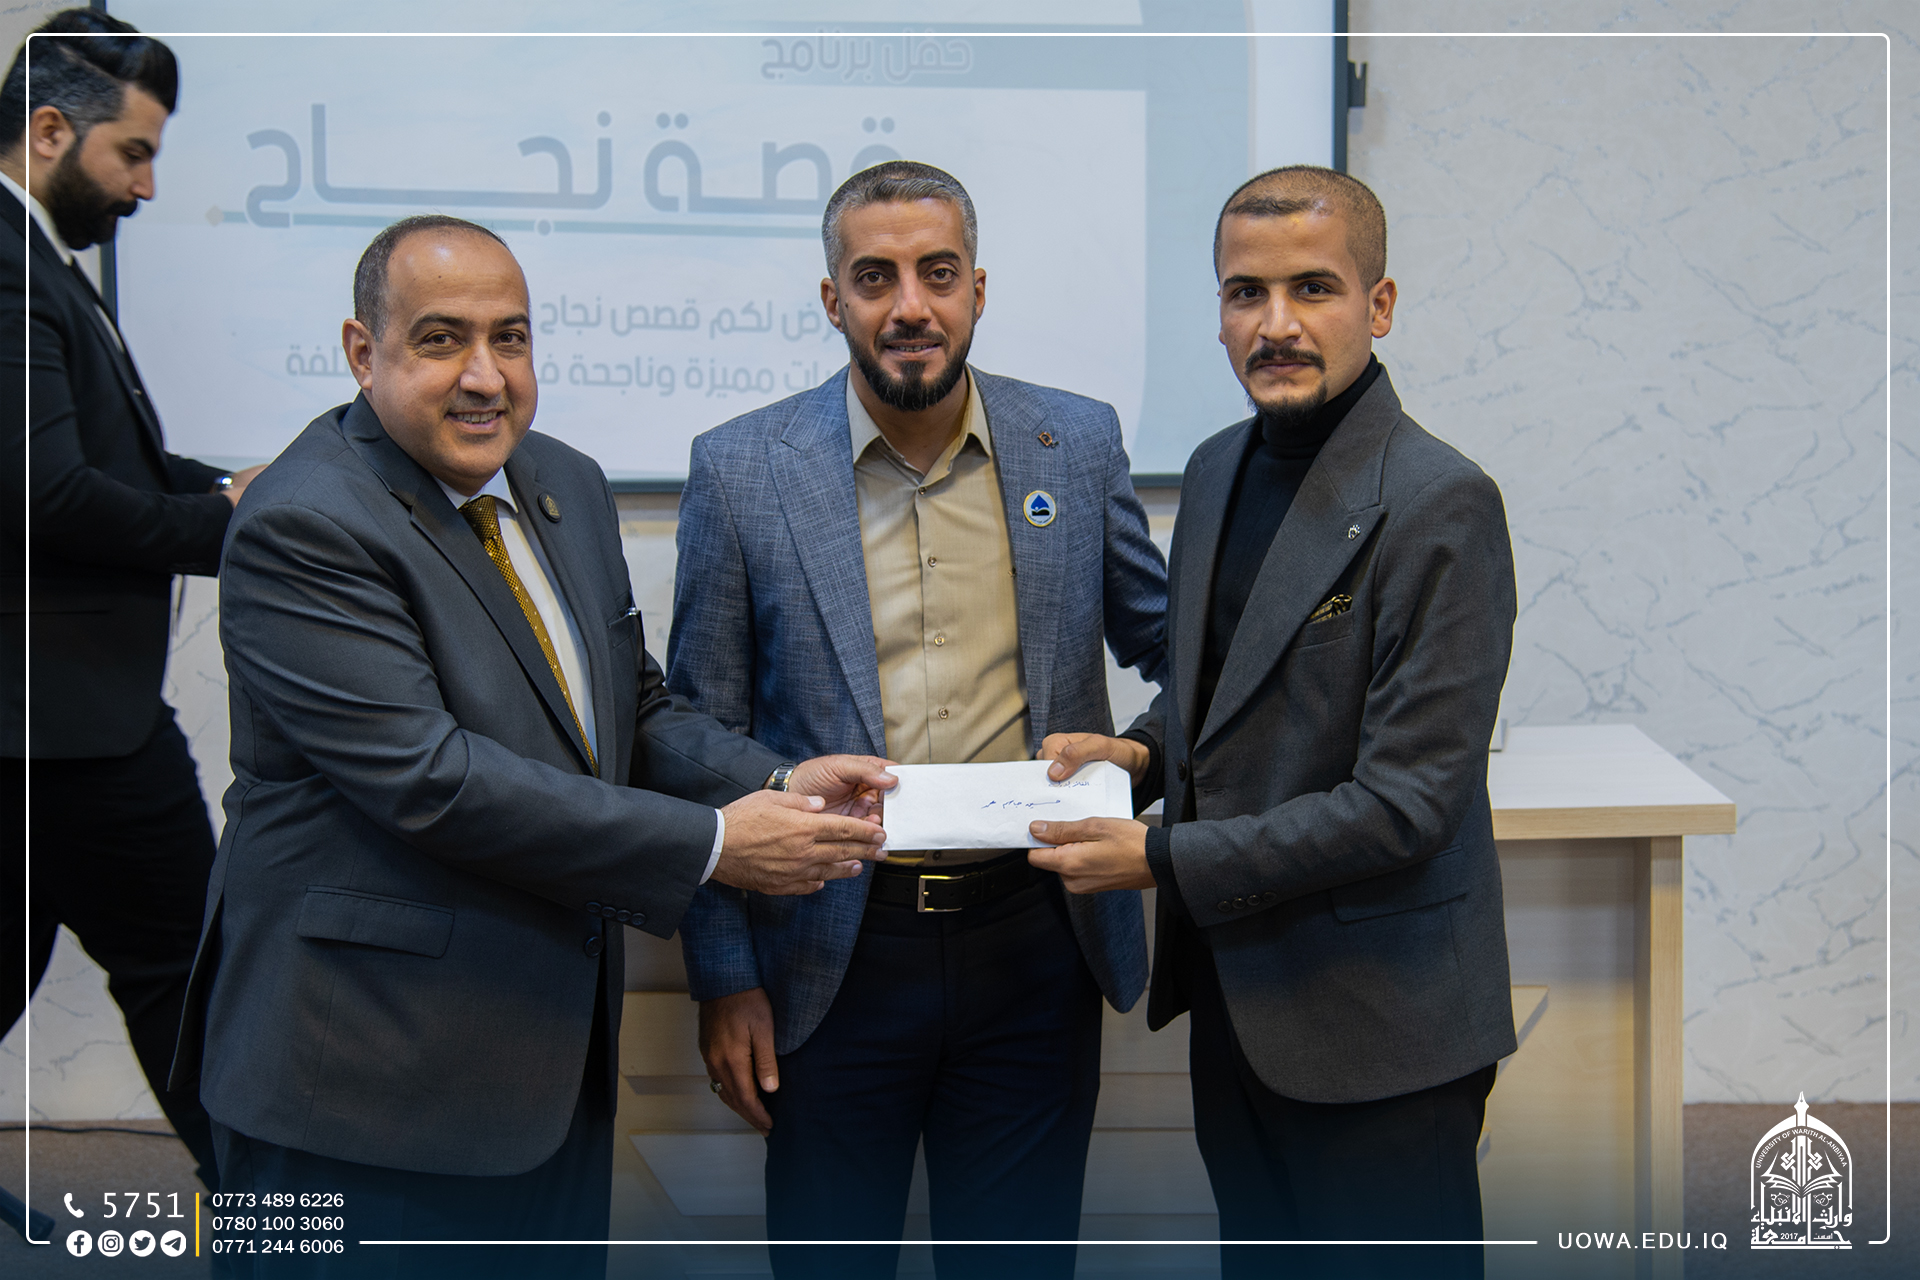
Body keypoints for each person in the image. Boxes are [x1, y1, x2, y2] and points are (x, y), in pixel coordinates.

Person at [172, 214, 895, 1278]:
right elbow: (431, 779)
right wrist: (713, 845)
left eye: (509, 338)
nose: (486, 376)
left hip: (541, 1075)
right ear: (363, 352)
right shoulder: (304, 519)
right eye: (441, 339)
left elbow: (629, 708)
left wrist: (777, 778)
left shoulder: (565, 482)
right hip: (360, 1089)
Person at [667, 161, 1168, 1279]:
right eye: (875, 277)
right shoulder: (741, 468)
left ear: (977, 289)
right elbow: (698, 734)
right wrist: (724, 974)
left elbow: (1179, 646)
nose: (910, 306)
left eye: (938, 274)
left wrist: (1140, 756)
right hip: (830, 946)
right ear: (832, 298)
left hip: (1034, 939)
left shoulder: (1076, 442)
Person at [1029, 166, 1518, 1280]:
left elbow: (1406, 806)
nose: (1277, 324)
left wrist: (1158, 856)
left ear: (1379, 306)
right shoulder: (1215, 469)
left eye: (1313, 288)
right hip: (1240, 1007)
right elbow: (1229, 690)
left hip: (1384, 1027)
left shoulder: (1441, 500)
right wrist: (1142, 752)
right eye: (1246, 292)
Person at [0, 9, 262, 1209]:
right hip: (62, 724)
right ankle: (272, 1220)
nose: (148, 187)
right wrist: (227, 524)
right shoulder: (9, 266)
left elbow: (115, 462)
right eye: (135, 154)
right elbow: (46, 498)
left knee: (168, 967)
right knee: (187, 972)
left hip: (55, 720)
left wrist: (234, 494)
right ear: (53, 129)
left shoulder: (40, 258)